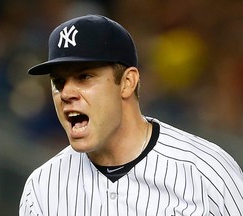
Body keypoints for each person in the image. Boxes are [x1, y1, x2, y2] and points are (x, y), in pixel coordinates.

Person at [19, 14, 243, 216]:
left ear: (127, 82)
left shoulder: (205, 171)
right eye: (59, 82)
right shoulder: (42, 188)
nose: (66, 93)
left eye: (84, 77)